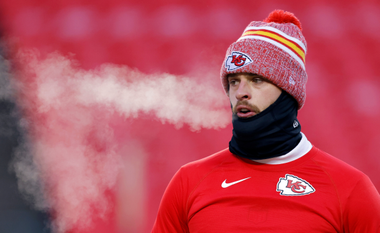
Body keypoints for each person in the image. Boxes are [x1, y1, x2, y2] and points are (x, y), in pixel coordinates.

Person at [151, 9, 380, 233]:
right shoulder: (189, 182)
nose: (241, 92)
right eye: (233, 81)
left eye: (256, 79)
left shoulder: (350, 190)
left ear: (288, 89)